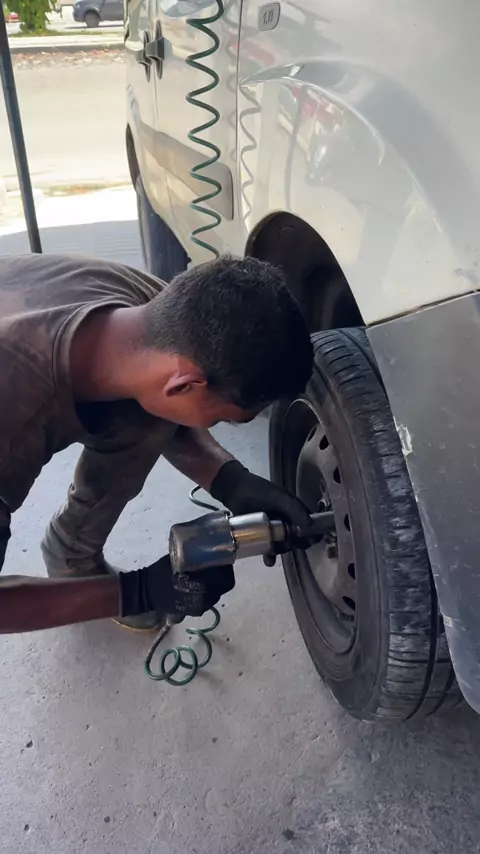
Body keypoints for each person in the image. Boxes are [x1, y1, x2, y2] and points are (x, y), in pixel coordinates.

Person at [0, 253, 313, 635]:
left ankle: (71, 556)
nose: (214, 426)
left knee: (148, 415)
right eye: (220, 419)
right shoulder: (15, 408)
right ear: (183, 385)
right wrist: (138, 592)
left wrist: (230, 481)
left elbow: (167, 403)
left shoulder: (153, 308)